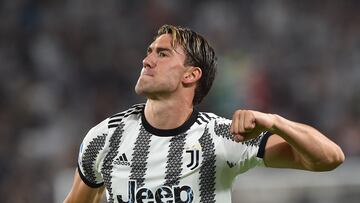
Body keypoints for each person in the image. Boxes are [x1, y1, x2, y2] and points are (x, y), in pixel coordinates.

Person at [64, 24, 345, 203]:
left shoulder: (223, 136)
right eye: (149, 52)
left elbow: (329, 158)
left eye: (162, 54)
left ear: (191, 74)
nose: (147, 60)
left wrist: (274, 122)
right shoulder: (105, 137)